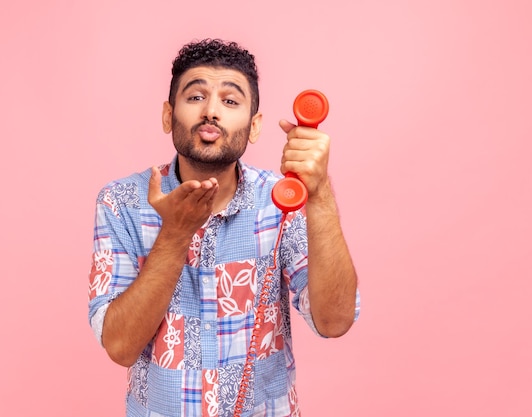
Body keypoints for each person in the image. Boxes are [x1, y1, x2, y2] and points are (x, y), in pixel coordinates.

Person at [88, 38, 360, 417]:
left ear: (255, 126)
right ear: (168, 116)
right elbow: (119, 347)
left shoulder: (282, 201)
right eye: (196, 97)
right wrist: (175, 234)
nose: (211, 111)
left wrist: (319, 192)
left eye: (230, 101)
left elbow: (334, 321)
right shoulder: (121, 202)